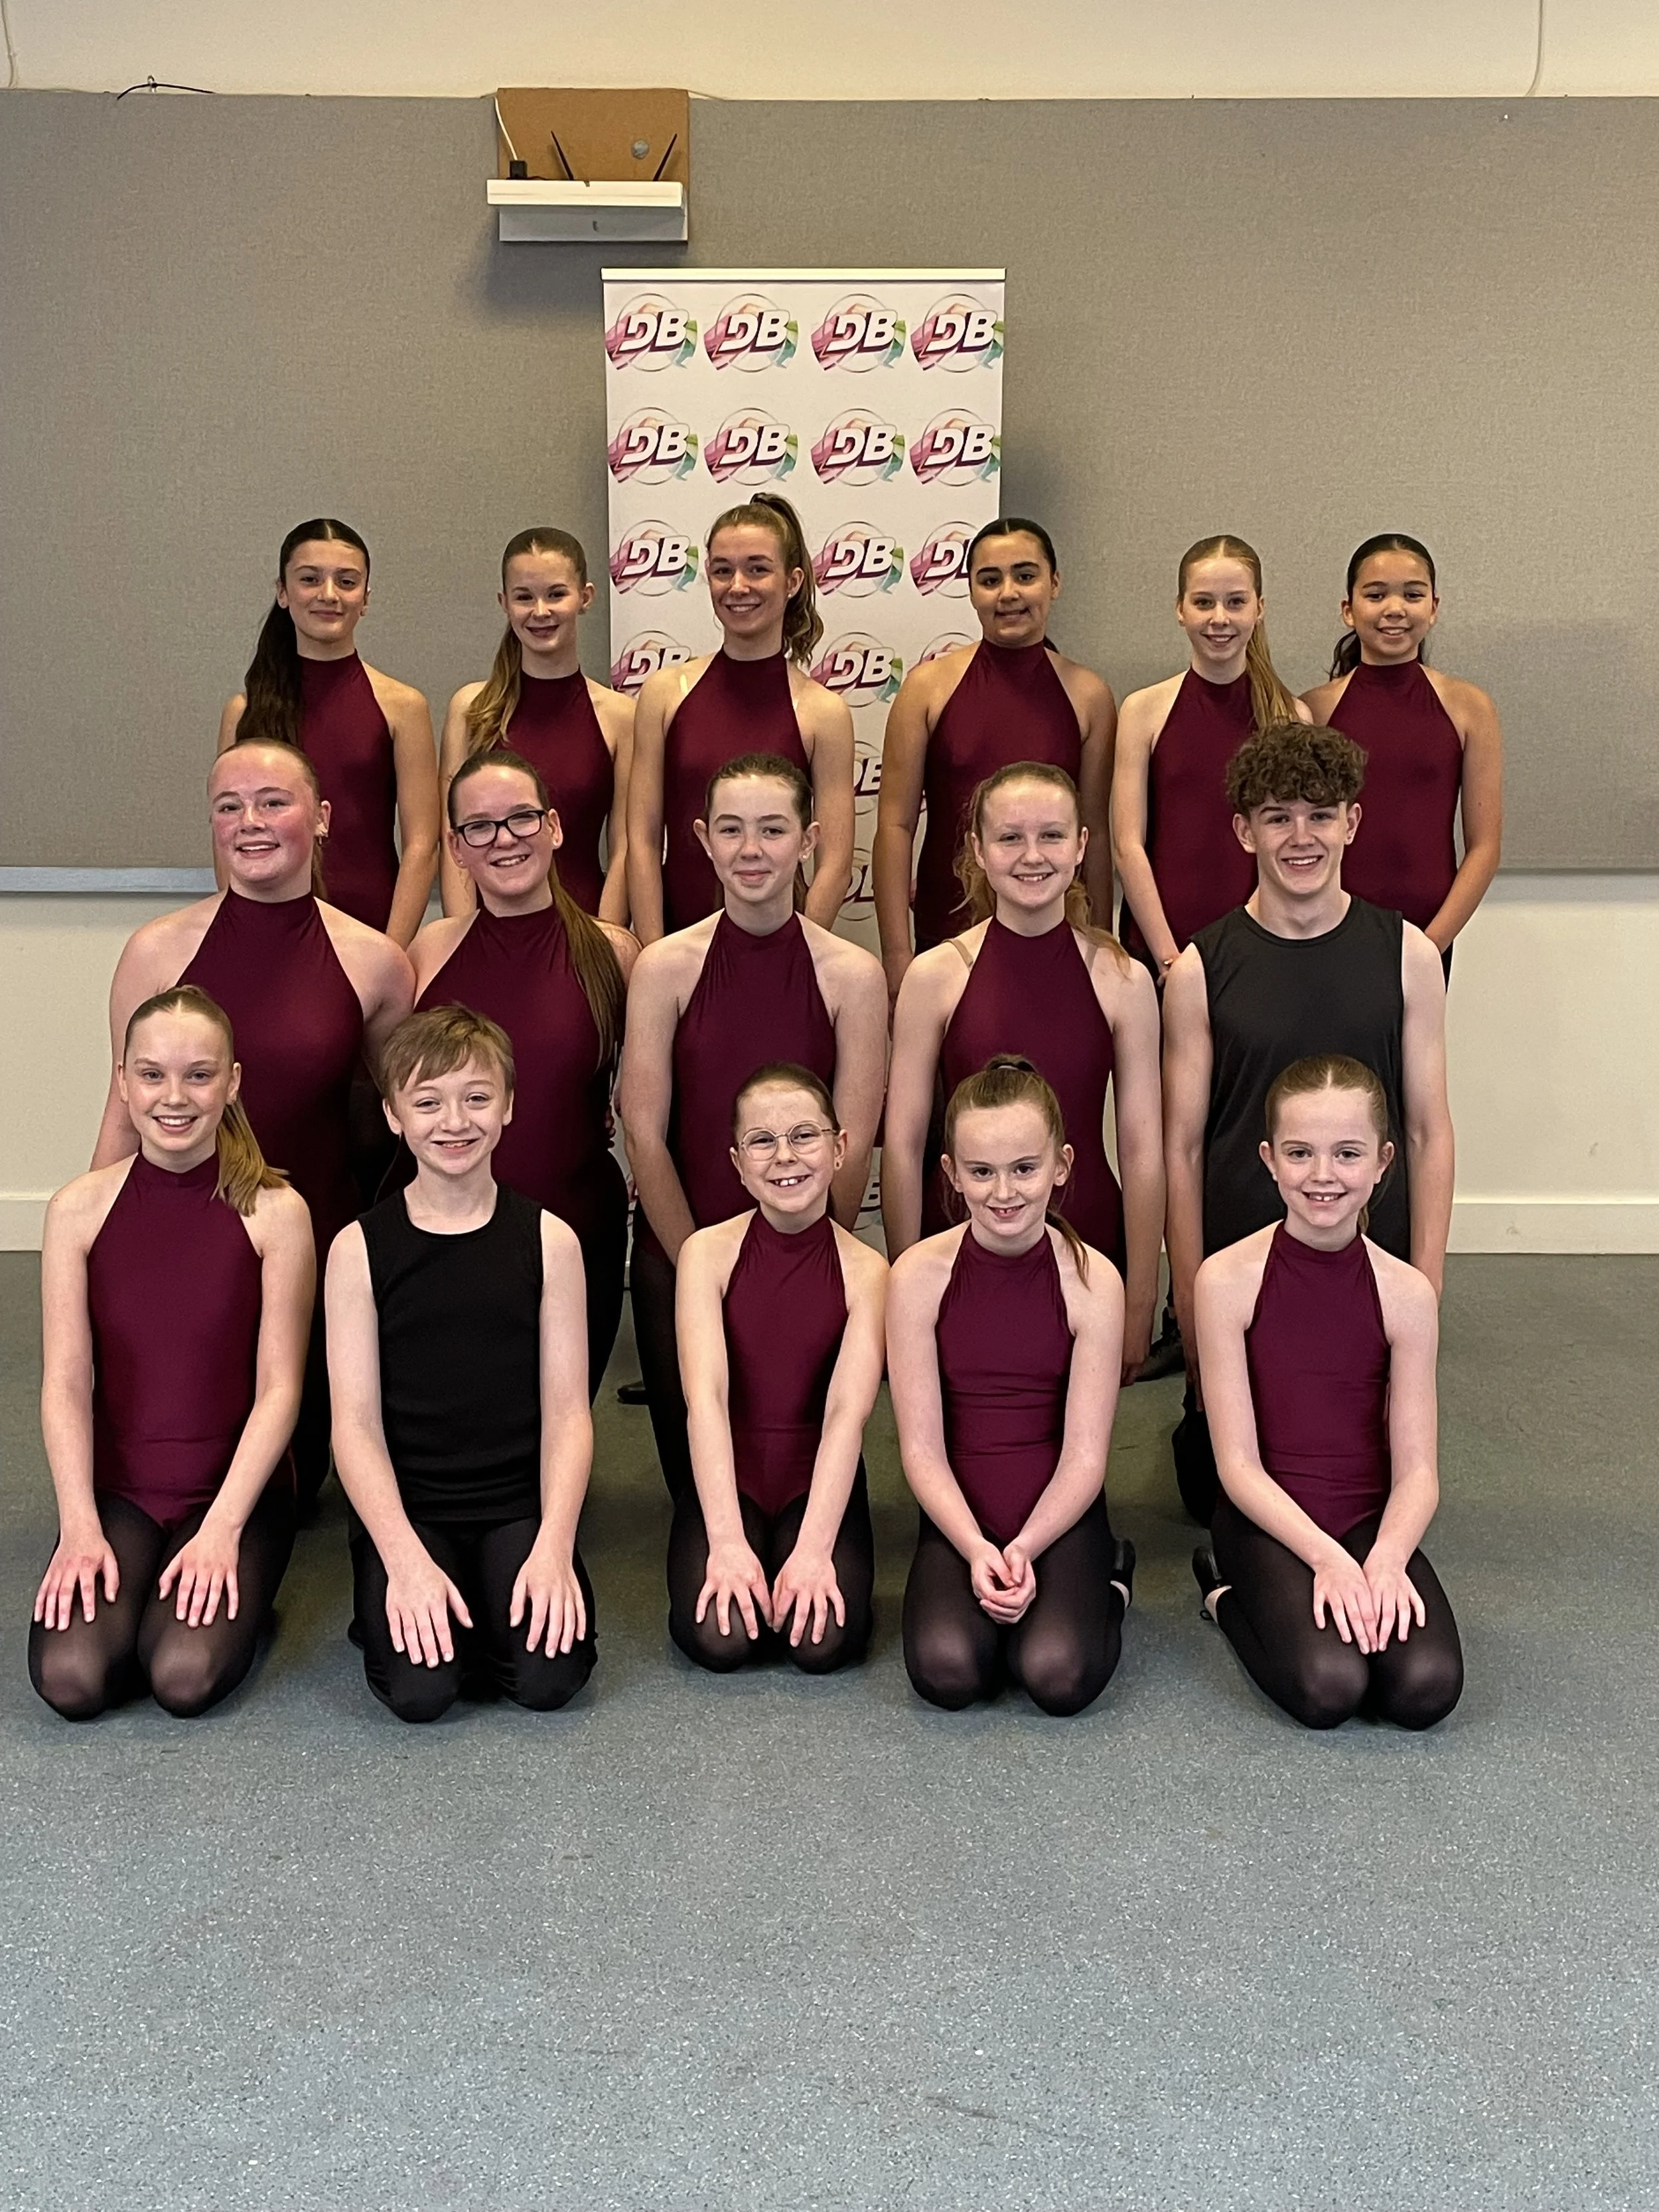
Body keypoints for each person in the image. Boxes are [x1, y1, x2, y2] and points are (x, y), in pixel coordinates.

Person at [94, 741, 413, 1502]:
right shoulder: (157, 951)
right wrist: (93, 1251)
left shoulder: (376, 962)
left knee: (290, 1494)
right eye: (229, 806)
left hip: (310, 1245)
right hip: (181, 1242)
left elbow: (399, 1124)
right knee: (166, 1475)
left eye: (274, 802)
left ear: (323, 818)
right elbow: (122, 1111)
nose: (251, 822)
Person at [1162, 722, 1455, 1524]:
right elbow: (1181, 1149)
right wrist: (1190, 1299)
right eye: (1277, 816)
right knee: (1218, 1495)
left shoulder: (1408, 955)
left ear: (1352, 823)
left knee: (1364, 1490)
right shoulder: (1199, 968)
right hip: (1245, 1267)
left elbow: (1427, 1130)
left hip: (1366, 1254)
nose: (1300, 837)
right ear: (1243, 831)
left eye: (1320, 815)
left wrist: (1424, 1280)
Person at [31, 988, 313, 1720]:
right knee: (73, 1679)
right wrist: (78, 1525)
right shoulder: (77, 1210)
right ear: (122, 1081)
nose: (174, 1097)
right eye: (152, 1075)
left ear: (233, 1082)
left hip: (234, 1491)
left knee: (182, 1678)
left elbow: (281, 1389)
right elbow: (65, 1381)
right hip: (121, 1489)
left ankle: (233, 1595)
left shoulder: (276, 1213)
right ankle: (142, 1594)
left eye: (199, 1074)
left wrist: (223, 1527)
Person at [619, 754, 887, 1500]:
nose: (751, 851)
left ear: (809, 841)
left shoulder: (851, 974)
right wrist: (699, 1273)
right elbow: (644, 1133)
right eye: (731, 830)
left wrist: (798, 1260)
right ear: (701, 839)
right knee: (703, 1505)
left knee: (806, 1485)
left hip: (807, 1260)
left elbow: (853, 1139)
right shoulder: (665, 968)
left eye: (773, 830)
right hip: (680, 1250)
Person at [326, 1006, 596, 1724]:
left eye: (477, 1097)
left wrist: (554, 1546)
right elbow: (352, 1425)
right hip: (410, 1511)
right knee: (424, 1693)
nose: (455, 1121)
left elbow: (569, 1414)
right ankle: (406, 1594)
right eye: (427, 1101)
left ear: (508, 1105)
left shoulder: (550, 1241)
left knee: (548, 1682)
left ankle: (485, 1594)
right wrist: (403, 1559)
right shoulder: (357, 1249)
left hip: (516, 1506)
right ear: (393, 1115)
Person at [1191, 1055, 1463, 1730]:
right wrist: (1326, 1561)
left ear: (1382, 1161)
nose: (1321, 1175)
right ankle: (1224, 1595)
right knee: (1329, 1687)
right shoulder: (1226, 1279)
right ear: (1268, 1159)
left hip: (1367, 1516)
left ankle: (1344, 1586)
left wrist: (1385, 1560)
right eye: (1299, 1153)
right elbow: (1235, 1466)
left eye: (1346, 1154)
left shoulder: (1406, 1293)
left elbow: (1419, 1469)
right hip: (1266, 1516)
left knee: (1425, 1688)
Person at [884, 763, 1163, 1382]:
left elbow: (1144, 1150)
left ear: (1082, 846)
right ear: (978, 851)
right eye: (1010, 838)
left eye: (1052, 836)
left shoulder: (1123, 980)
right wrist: (906, 1278)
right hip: (962, 1238)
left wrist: (1141, 1295)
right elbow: (903, 1145)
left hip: (1087, 1249)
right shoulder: (936, 976)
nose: (1032, 856)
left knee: (1079, 1455)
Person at [887, 1057, 1134, 1717]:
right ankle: (989, 1586)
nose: (1004, 1192)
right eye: (981, 1171)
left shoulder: (1094, 1281)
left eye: (1025, 1168)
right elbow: (920, 1450)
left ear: (1061, 1165)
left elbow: (1085, 1456)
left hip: (1059, 1509)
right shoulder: (917, 1277)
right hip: (959, 1510)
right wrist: (974, 1549)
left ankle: (1111, 1578)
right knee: (948, 1673)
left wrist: (1023, 1548)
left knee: (1055, 1676)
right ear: (951, 1174)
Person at [408, 752, 636, 1397]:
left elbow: (644, 1104)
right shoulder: (429, 954)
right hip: (444, 1242)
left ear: (556, 826)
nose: (504, 839)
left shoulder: (614, 954)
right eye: (479, 827)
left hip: (574, 1230)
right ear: (456, 849)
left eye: (521, 819)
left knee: (555, 1437)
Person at [670, 1063, 887, 1674]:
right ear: (738, 1161)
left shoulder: (868, 1271)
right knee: (724, 1639)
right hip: (728, 1475)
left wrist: (817, 1549)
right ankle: (749, 1556)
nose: (784, 1156)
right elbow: (705, 1399)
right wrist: (727, 1540)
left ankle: (796, 1554)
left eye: (804, 1135)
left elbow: (848, 1414)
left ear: (840, 1148)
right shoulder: (705, 1254)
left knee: (820, 1645)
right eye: (762, 1140)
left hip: (815, 1475)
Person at [875, 516, 1117, 992]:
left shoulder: (1089, 695)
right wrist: (896, 955)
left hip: (1056, 934)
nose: (1008, 593)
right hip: (947, 935)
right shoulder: (929, 687)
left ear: (1055, 582)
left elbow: (1096, 830)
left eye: (1025, 575)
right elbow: (894, 825)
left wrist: (1100, 942)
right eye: (990, 580)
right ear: (971, 591)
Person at [626, 493, 855, 939]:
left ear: (792, 581)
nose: (738, 586)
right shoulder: (665, 695)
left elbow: (836, 861)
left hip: (783, 942)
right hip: (679, 941)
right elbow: (642, 841)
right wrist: (654, 954)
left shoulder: (824, 712)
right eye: (722, 570)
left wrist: (795, 952)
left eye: (757, 568)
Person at [218, 518, 439, 946]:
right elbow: (228, 845)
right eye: (310, 579)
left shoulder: (403, 708)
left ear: (366, 598)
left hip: (370, 932)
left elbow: (421, 847)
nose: (329, 594)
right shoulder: (243, 712)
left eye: (347, 581)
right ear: (282, 592)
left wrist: (391, 952)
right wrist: (239, 937)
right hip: (265, 933)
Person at [1112, 534, 1310, 985]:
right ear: (1180, 608)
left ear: (1259, 609)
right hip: (1160, 947)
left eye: (1235, 602)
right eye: (1203, 602)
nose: (1219, 618)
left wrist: (1268, 946)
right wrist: (1168, 958)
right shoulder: (1143, 711)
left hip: (1261, 951)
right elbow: (1128, 845)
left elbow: (1293, 846)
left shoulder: (1290, 717)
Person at [1301, 534, 1503, 969]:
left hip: (1428, 935)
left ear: (1433, 607)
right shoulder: (1313, 710)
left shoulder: (1469, 707)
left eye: (1412, 594)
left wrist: (1431, 945)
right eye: (1376, 595)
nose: (1394, 608)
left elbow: (1485, 847)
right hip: (1325, 932)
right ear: (1348, 610)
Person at [438, 528, 634, 922]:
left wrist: (608, 942)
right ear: (504, 603)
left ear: (586, 597)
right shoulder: (471, 710)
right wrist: (463, 935)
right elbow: (452, 843)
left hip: (585, 924)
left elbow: (626, 847)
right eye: (524, 597)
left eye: (556, 594)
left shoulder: (620, 716)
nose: (540, 612)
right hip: (486, 929)